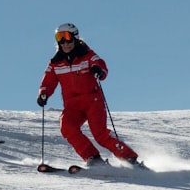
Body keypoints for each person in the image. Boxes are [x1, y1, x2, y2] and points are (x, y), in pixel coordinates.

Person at [36, 23, 144, 168]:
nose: (64, 42)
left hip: (92, 100)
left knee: (100, 134)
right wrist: (43, 93)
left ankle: (130, 158)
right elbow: (48, 80)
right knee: (67, 127)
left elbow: (100, 64)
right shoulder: (55, 63)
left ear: (75, 37)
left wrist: (98, 70)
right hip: (72, 105)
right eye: (59, 38)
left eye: (67, 37)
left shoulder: (86, 55)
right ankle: (93, 157)